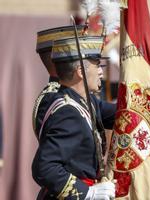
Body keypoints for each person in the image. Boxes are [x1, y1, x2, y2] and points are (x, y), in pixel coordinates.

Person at [32, 36, 116, 200]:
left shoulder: (87, 100)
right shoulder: (68, 112)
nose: (101, 71)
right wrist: (86, 193)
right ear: (80, 72)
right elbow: (44, 167)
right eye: (97, 65)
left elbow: (118, 114)